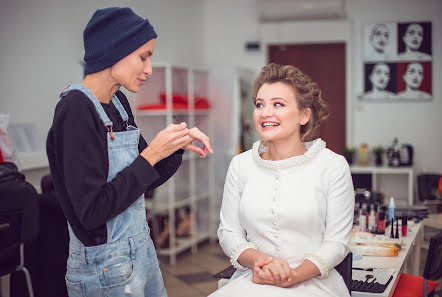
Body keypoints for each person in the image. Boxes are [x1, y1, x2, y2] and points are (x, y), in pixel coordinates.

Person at [46, 7, 213, 297]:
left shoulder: (119, 103)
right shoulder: (75, 110)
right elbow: (92, 212)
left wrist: (173, 147)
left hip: (142, 251)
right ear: (115, 52)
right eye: (143, 56)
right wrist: (151, 155)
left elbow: (146, 179)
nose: (149, 69)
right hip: (104, 268)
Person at [210, 63, 354, 297]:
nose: (266, 112)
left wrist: (292, 277)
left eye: (278, 104)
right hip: (255, 280)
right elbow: (228, 232)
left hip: (313, 283)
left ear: (304, 115)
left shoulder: (332, 166)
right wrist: (260, 262)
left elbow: (337, 242)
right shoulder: (241, 165)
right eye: (260, 104)